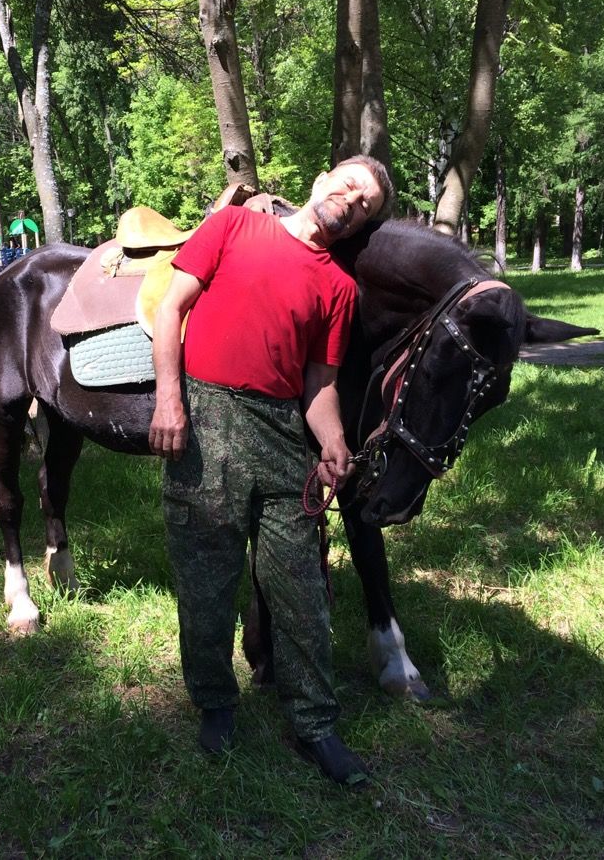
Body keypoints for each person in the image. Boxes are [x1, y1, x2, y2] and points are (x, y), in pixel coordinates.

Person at [149, 155, 393, 788]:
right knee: (206, 580)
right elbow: (171, 310)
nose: (351, 201)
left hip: (284, 435)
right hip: (206, 418)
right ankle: (215, 703)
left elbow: (320, 384)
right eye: (349, 185)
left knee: (301, 589)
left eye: (364, 205)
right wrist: (170, 400)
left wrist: (334, 442)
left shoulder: (338, 288)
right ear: (322, 180)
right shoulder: (233, 227)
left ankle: (315, 724)